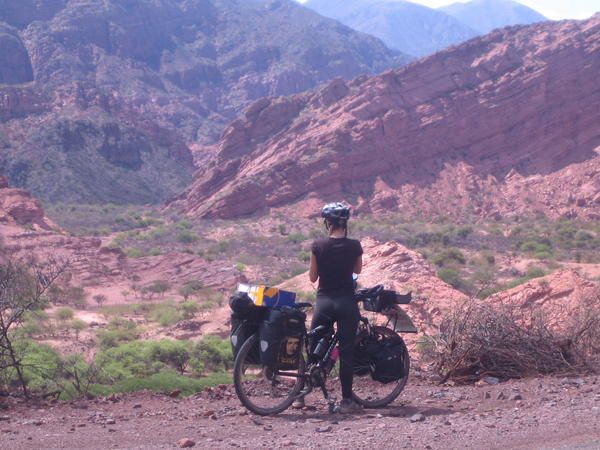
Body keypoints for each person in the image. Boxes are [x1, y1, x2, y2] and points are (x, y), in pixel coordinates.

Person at [293, 202, 363, 413]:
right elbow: (357, 270)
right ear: (344, 223)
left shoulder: (318, 246)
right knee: (347, 351)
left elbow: (313, 277)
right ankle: (347, 400)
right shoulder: (354, 246)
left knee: (314, 348)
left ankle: (300, 396)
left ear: (328, 223)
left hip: (324, 302)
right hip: (346, 303)